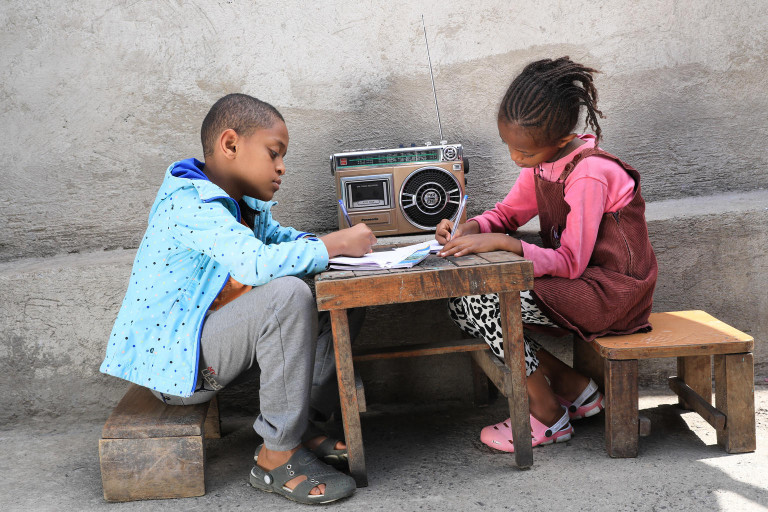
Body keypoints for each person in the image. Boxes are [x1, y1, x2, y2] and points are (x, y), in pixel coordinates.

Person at [100, 93, 376, 504]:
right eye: (274, 153)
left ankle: (302, 426)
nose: (282, 167)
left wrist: (332, 248)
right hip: (180, 366)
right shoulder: (189, 203)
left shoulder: (244, 206)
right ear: (230, 144)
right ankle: (275, 457)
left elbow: (283, 242)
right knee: (287, 294)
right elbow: (255, 264)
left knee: (335, 288)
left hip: (217, 345)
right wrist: (333, 244)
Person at [435, 57, 657, 453]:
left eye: (523, 151)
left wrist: (506, 244)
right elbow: (508, 213)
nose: (515, 158)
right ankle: (574, 387)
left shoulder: (589, 173)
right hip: (582, 284)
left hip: (613, 293)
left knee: (487, 300)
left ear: (560, 139)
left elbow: (571, 261)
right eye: (509, 147)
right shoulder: (545, 161)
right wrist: (472, 228)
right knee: (459, 305)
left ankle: (547, 414)